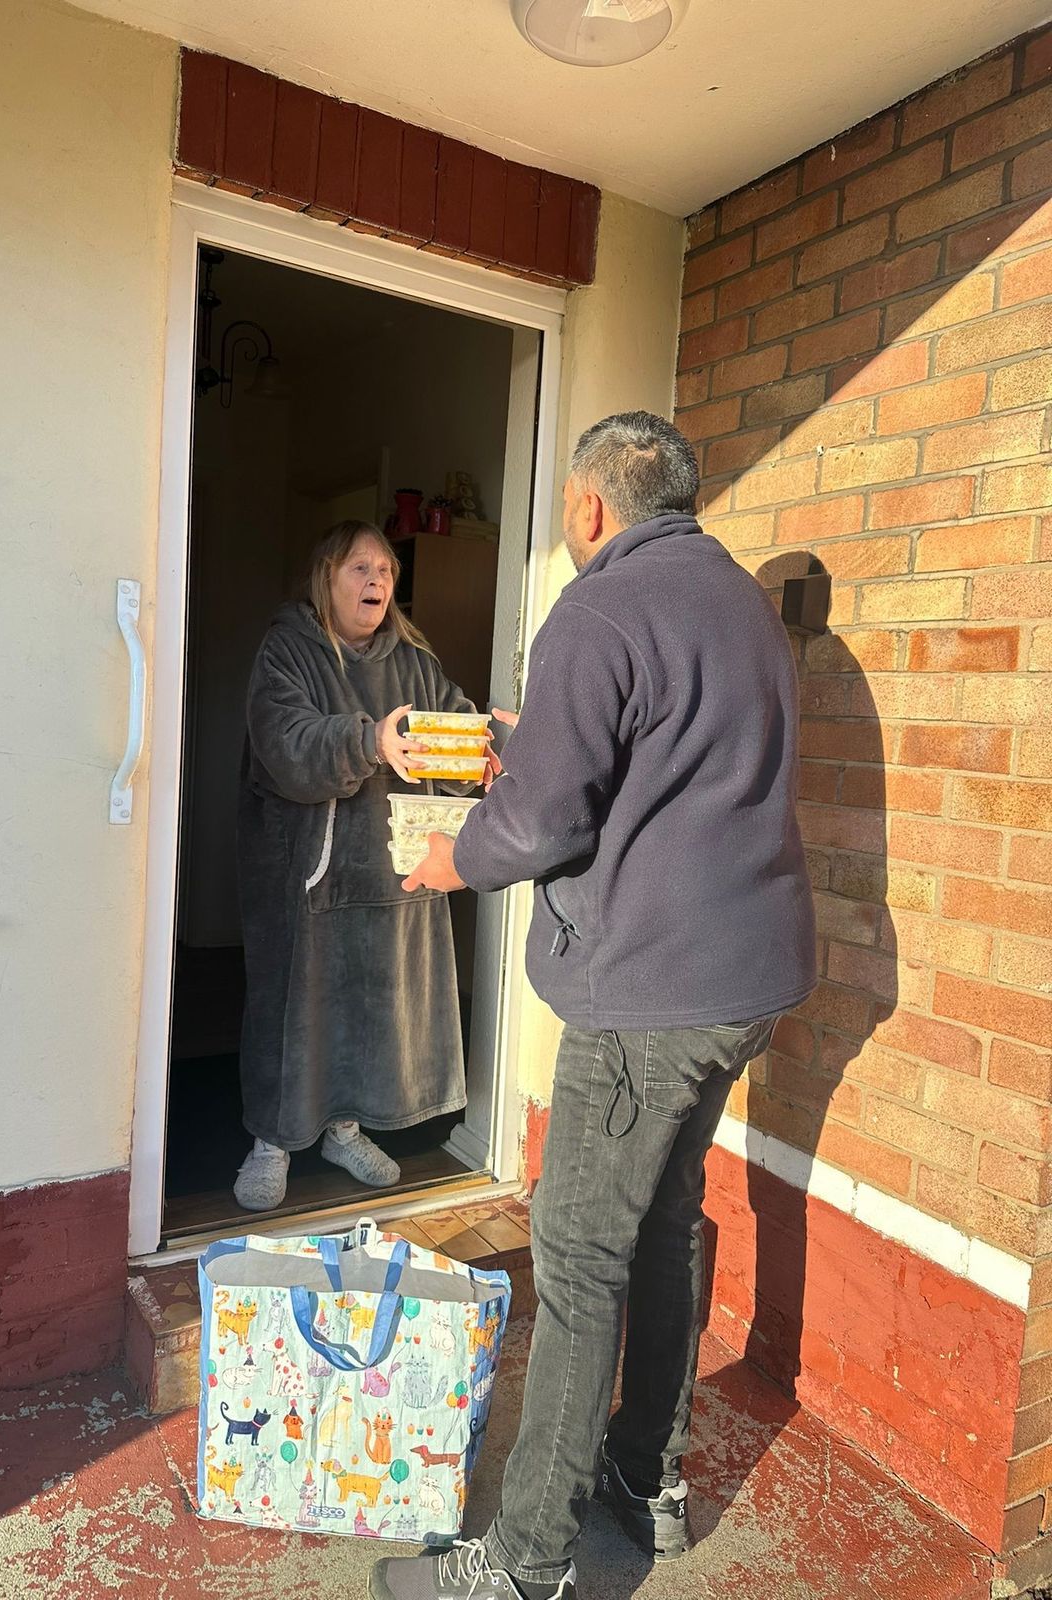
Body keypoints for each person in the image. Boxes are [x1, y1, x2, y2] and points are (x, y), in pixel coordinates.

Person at [369, 413, 817, 1600]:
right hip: (747, 983)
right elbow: (668, 762)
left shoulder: (601, 606)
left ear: (588, 508)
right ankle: (647, 1483)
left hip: (647, 997)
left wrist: (447, 861)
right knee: (666, 1222)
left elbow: (542, 823)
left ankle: (525, 1565)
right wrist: (543, 742)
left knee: (576, 1260)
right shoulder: (740, 607)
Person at [233, 520, 482, 1212]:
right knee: (292, 1007)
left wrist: (483, 752)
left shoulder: (414, 661)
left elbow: (452, 731)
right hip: (304, 874)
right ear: (326, 578)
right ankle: (273, 1140)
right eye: (360, 570)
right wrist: (370, 739)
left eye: (386, 572)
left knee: (368, 1005)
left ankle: (345, 1129)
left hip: (390, 871)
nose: (377, 582)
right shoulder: (288, 650)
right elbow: (286, 744)